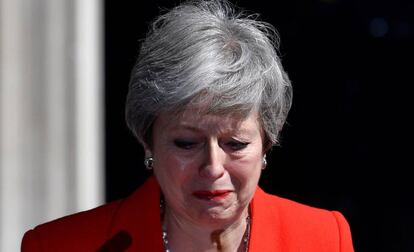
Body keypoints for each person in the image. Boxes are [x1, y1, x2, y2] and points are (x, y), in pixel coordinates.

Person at [21, 0, 354, 251]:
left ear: (267, 143)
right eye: (186, 143)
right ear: (148, 141)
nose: (212, 168)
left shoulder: (323, 237)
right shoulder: (60, 244)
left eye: (235, 143)